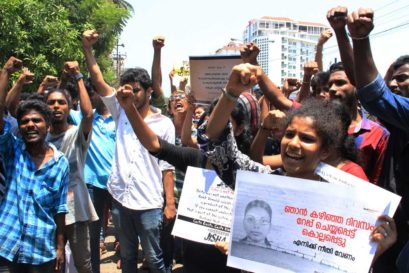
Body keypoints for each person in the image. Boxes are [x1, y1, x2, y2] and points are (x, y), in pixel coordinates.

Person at [82, 29, 176, 273]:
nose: (130, 94)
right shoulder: (120, 111)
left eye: (136, 90)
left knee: (155, 260)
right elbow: (98, 79)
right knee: (128, 257)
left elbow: (167, 167)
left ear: (148, 91)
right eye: (127, 89)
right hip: (121, 201)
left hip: (149, 204)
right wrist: (87, 48)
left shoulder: (164, 123)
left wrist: (169, 203)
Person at [347, 7, 409, 272]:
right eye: (394, 80)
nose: (396, 85)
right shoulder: (396, 120)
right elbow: (366, 89)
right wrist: (352, 38)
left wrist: (359, 40)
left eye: (404, 79)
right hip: (391, 222)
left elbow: (374, 94)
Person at [0, 56, 69, 273]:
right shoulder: (12, 150)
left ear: (47, 126)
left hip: (41, 252)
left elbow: (59, 208)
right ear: (19, 127)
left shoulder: (60, 163)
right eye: (24, 122)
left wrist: (60, 247)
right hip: (5, 246)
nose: (30, 125)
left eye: (36, 120)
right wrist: (6, 72)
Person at [69, 78, 116, 273]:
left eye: (96, 91)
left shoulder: (120, 117)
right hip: (91, 185)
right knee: (93, 236)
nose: (93, 96)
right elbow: (55, 106)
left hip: (118, 185)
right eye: (90, 93)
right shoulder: (83, 117)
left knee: (127, 232)